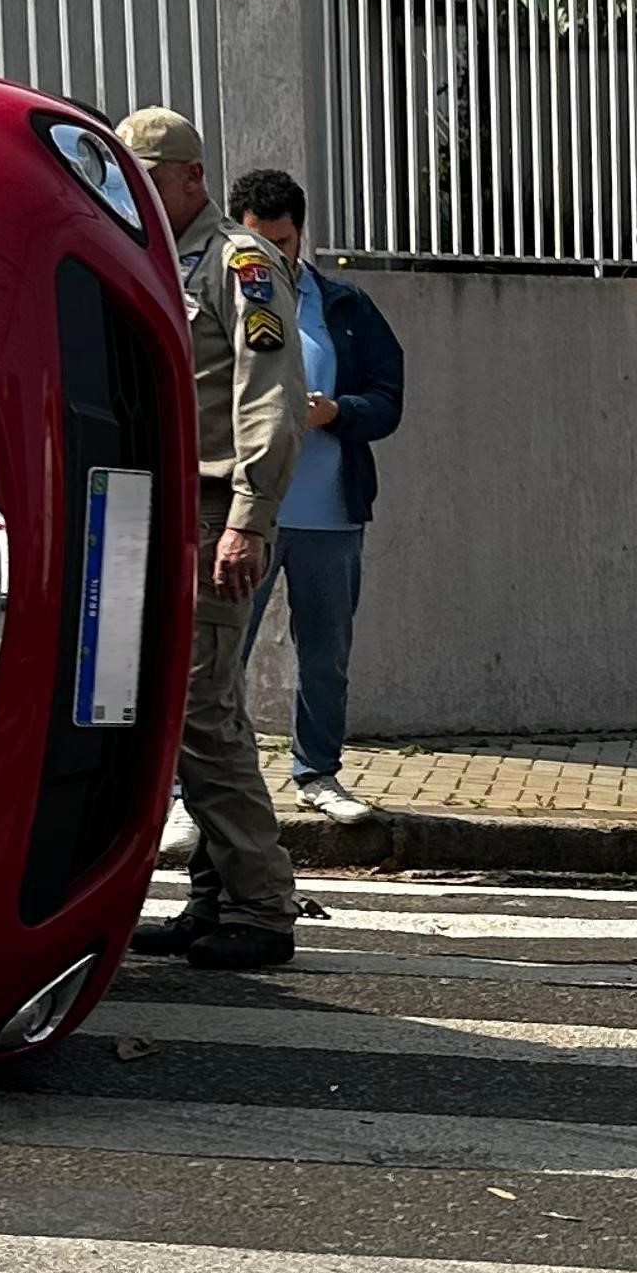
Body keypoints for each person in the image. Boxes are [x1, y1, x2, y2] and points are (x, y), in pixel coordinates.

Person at [117, 106, 304, 970]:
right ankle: (214, 896)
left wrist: (246, 521)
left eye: (148, 177)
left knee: (204, 712)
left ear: (192, 176)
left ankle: (263, 905)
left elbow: (268, 401)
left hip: (211, 513)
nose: (136, 193)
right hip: (153, 514)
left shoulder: (242, 263)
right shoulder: (148, 251)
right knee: (179, 709)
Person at [224, 170, 404, 822]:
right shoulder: (220, 298)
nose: (272, 257)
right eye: (257, 243)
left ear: (302, 235)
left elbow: (389, 399)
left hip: (329, 513)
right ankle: (199, 792)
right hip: (243, 515)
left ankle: (317, 775)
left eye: (284, 241)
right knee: (219, 657)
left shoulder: (344, 307)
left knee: (325, 654)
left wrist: (337, 412)